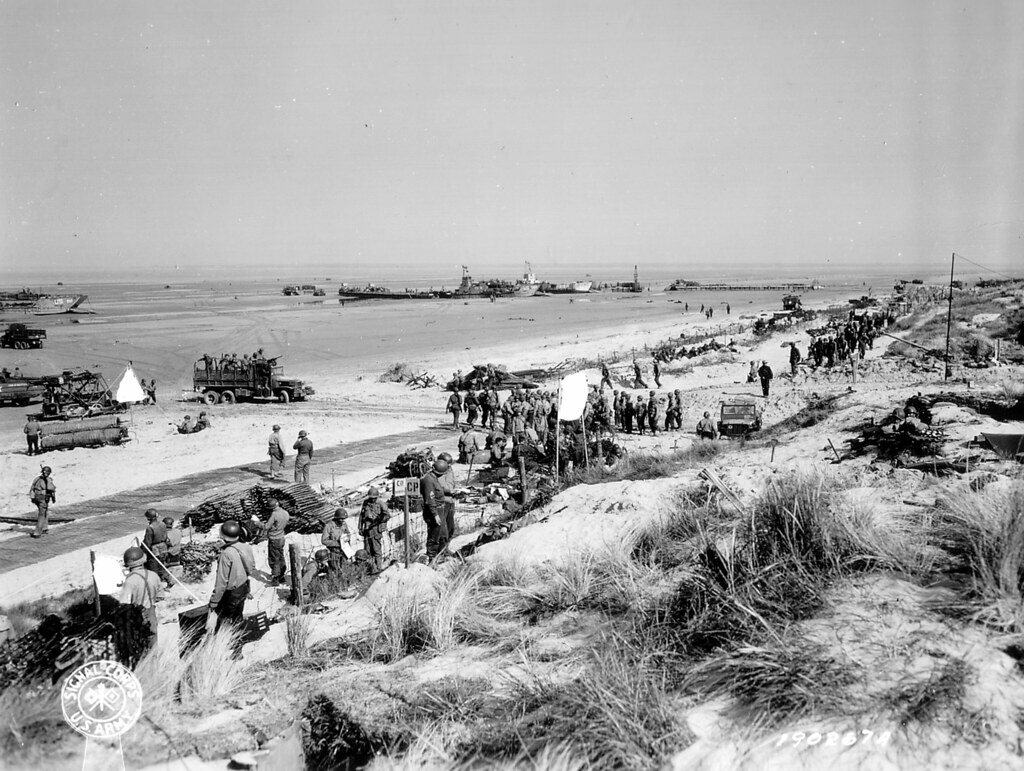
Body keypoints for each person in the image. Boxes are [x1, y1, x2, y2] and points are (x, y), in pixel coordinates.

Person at [208, 520, 255, 656]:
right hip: (243, 588)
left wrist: (214, 600)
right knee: (238, 618)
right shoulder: (245, 547)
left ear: (223, 535)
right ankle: (237, 649)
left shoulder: (226, 553)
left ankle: (220, 647)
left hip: (231, 593)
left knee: (222, 620)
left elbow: (221, 581)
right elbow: (250, 567)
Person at [119, 546, 162, 652]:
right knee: (153, 645)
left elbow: (124, 604)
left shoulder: (130, 581)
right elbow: (161, 596)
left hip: (137, 615)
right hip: (152, 613)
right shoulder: (154, 575)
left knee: (138, 647)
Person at [420, 458, 449, 561]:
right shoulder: (428, 480)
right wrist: (435, 515)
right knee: (434, 536)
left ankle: (443, 552)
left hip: (439, 509)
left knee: (443, 534)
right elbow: (429, 500)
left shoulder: (433, 478)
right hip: (433, 511)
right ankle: (432, 557)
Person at [358, 486, 388, 574]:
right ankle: (370, 568)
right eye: (371, 498)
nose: (372, 500)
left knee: (376, 549)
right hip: (367, 530)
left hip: (376, 530)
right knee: (367, 550)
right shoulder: (365, 503)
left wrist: (378, 520)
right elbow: (361, 515)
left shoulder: (381, 504)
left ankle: (378, 568)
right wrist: (360, 527)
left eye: (374, 498)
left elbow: (387, 516)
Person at [142, 509, 172, 587]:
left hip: (155, 549)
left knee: (154, 569)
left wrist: (142, 551)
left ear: (148, 518)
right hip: (163, 547)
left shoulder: (150, 527)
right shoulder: (163, 524)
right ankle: (168, 581)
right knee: (162, 566)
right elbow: (165, 537)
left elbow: (148, 542)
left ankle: (157, 587)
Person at [265, 502, 290, 585]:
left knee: (274, 558)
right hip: (281, 537)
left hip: (274, 538)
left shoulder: (274, 514)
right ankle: (282, 576)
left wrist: (257, 522)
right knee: (281, 556)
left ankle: (276, 578)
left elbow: (267, 526)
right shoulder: (285, 512)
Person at [321, 508, 351, 576]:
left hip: (344, 551)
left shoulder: (344, 524)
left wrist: (347, 538)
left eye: (344, 519)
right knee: (335, 570)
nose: (342, 520)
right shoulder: (329, 526)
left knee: (344, 569)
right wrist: (337, 543)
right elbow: (324, 541)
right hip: (334, 552)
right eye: (341, 519)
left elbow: (348, 533)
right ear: (336, 518)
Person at [30, 466, 56, 538]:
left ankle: (44, 527)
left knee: (45, 512)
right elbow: (51, 488)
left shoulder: (37, 479)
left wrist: (32, 498)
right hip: (43, 498)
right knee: (42, 514)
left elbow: (32, 488)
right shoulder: (47, 480)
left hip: (36, 497)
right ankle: (37, 532)